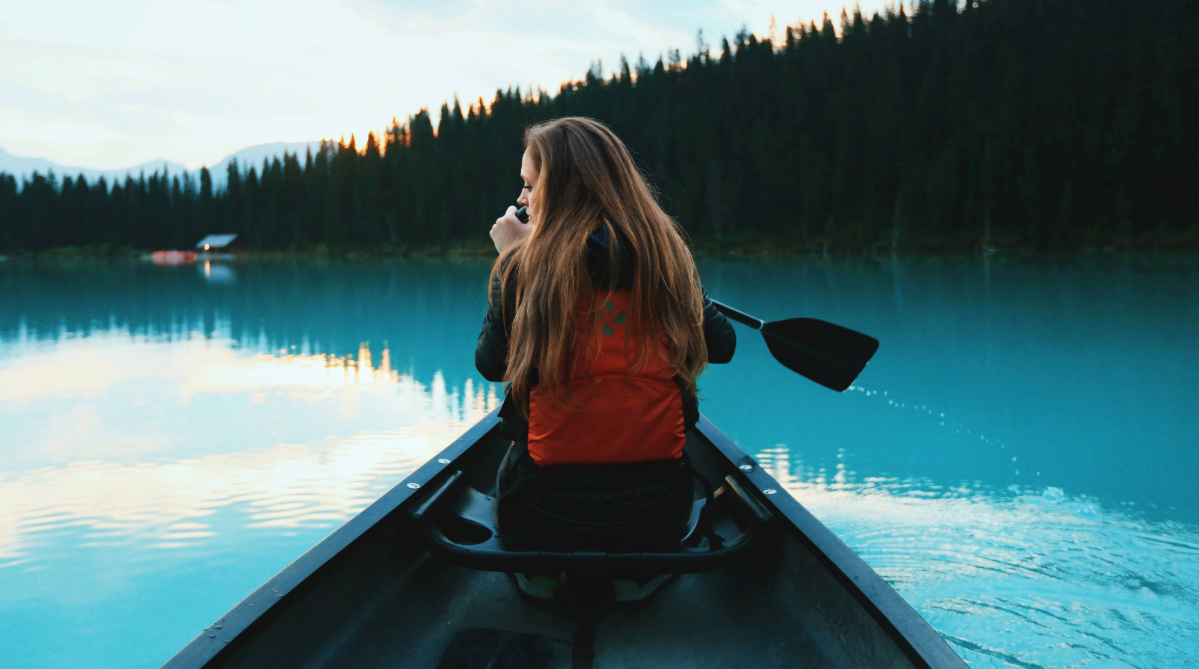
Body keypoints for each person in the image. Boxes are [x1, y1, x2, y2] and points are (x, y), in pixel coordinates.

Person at [475, 117, 735, 576]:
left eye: (530, 186)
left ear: (561, 189)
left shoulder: (525, 267)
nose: (520, 200)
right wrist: (683, 283)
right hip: (659, 516)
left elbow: (492, 365)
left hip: (543, 517)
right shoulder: (665, 256)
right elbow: (722, 346)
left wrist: (515, 260)